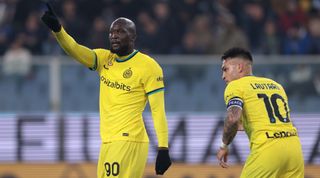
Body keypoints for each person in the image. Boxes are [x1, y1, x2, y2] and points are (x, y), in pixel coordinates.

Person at [41, 3, 171, 178]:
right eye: (111, 32)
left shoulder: (148, 66)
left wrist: (163, 147)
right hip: (108, 141)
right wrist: (58, 30)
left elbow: (158, 110)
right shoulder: (104, 59)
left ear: (133, 36)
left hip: (128, 140)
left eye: (120, 32)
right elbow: (75, 50)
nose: (114, 36)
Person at [216, 47, 304, 177]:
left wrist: (224, 145)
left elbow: (233, 118)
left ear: (240, 67)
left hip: (268, 149)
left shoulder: (235, 86)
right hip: (294, 149)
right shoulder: (276, 85)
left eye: (225, 69)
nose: (223, 76)